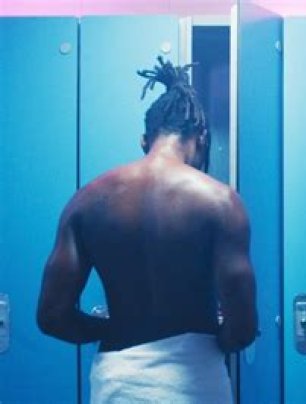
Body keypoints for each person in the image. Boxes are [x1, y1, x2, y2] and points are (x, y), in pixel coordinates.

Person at [37, 57, 257, 402]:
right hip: (196, 383)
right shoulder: (221, 202)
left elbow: (52, 316)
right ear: (201, 138)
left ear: (144, 140)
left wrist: (114, 328)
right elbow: (242, 329)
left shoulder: (86, 201)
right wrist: (211, 338)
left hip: (118, 382)